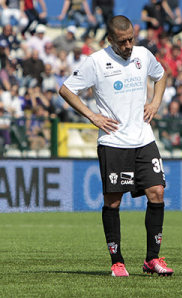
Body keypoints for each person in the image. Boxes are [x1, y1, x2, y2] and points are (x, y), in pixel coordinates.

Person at [59, 15, 174, 277]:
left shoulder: (143, 55)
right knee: (113, 201)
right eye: (123, 41)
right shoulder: (96, 62)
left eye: (131, 38)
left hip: (144, 138)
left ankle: (152, 259)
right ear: (110, 39)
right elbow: (66, 89)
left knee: (157, 192)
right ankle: (117, 261)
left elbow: (161, 75)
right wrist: (92, 116)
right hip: (113, 141)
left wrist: (155, 102)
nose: (129, 45)